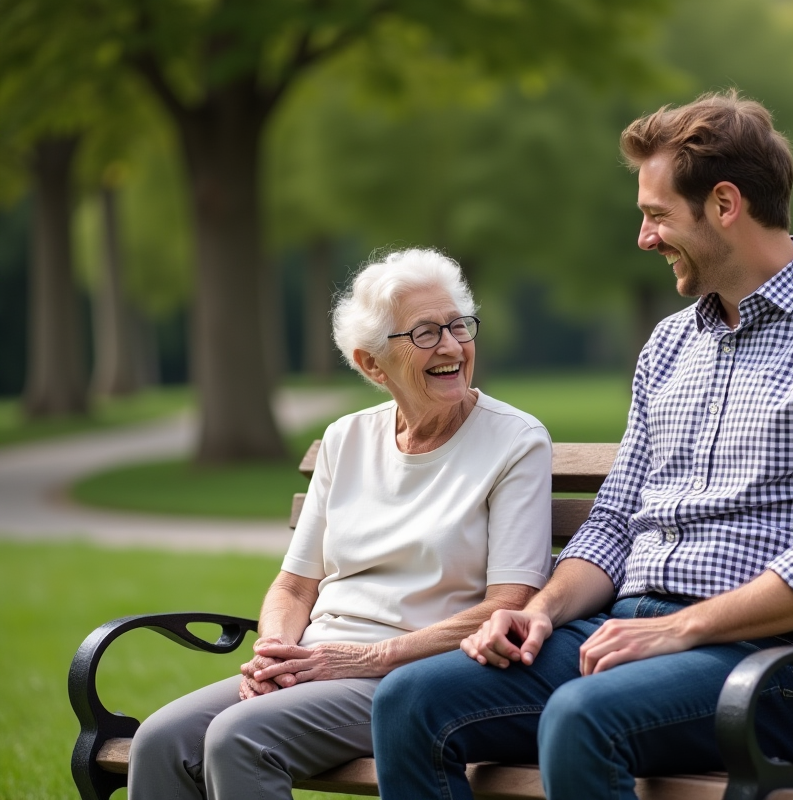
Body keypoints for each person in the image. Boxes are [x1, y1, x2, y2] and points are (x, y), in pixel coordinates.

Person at [371, 91, 793, 800]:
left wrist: (681, 632)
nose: (645, 237)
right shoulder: (671, 344)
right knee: (410, 703)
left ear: (725, 205)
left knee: (581, 717)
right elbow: (613, 523)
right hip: (623, 635)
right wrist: (540, 613)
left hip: (770, 668)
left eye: (657, 214)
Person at [126, 248, 553, 799]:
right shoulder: (345, 438)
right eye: (424, 333)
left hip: (415, 675)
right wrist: (276, 653)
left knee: (240, 737)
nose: (451, 346)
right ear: (372, 364)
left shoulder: (515, 441)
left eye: (458, 326)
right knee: (160, 740)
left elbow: (508, 602)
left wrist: (368, 657)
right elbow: (295, 584)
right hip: (317, 663)